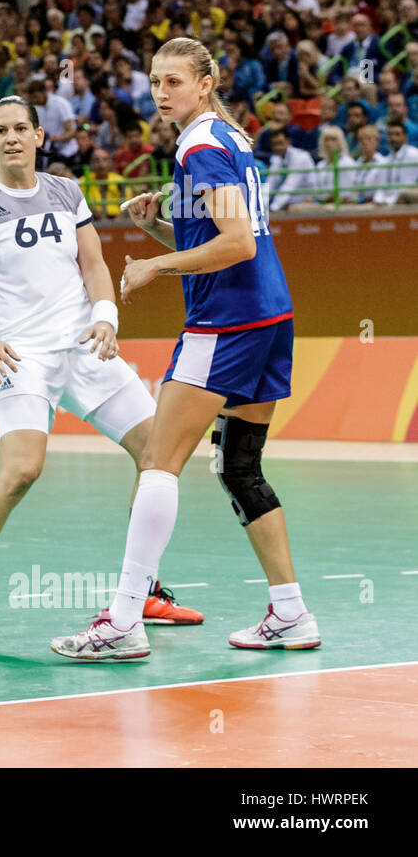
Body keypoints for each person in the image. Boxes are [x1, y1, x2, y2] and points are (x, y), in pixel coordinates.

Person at [53, 37, 318, 660]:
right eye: (154, 82)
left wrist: (155, 265)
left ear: (206, 83)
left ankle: (122, 621)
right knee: (239, 467)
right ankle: (291, 612)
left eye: (174, 81)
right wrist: (159, 229)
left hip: (225, 323)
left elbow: (236, 245)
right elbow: (232, 233)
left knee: (158, 462)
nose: (161, 93)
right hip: (269, 318)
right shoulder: (231, 139)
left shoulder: (199, 145)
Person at [0, 95, 200, 638]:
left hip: (86, 348)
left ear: (38, 136)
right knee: (22, 470)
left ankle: (143, 592)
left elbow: (93, 264)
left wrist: (106, 316)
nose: (12, 138)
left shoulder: (66, 192)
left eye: (21, 128)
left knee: (157, 455)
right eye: (1, 131)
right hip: (22, 356)